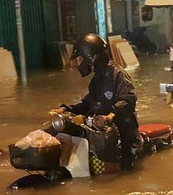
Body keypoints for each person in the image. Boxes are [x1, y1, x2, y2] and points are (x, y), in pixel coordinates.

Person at [53, 33, 141, 170]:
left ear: (91, 56)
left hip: (123, 134)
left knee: (125, 169)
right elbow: (89, 103)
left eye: (82, 58)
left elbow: (128, 99)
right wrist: (67, 109)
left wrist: (111, 115)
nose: (81, 63)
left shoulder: (117, 74)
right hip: (103, 132)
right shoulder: (97, 79)